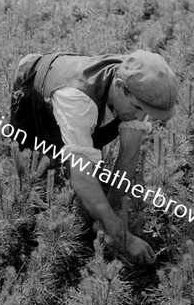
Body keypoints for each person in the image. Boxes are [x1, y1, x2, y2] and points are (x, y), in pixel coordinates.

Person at [10, 49, 179, 265]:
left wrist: (114, 213)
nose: (140, 116)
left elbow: (129, 153)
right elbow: (83, 178)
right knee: (33, 166)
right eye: (138, 108)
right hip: (34, 86)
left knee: (79, 147)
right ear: (119, 87)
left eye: (146, 111)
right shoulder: (78, 102)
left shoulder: (137, 87)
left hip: (80, 103)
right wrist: (123, 238)